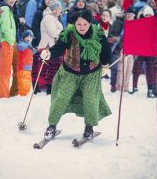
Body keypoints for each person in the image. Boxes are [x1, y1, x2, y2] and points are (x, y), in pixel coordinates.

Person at [39, 10, 111, 141]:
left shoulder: (99, 34)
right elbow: (59, 48)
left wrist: (105, 64)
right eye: (78, 24)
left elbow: (106, 50)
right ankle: (51, 126)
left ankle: (89, 128)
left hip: (91, 74)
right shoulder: (68, 33)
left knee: (90, 100)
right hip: (70, 72)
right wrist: (49, 53)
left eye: (85, 24)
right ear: (74, 24)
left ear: (90, 23)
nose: (82, 27)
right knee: (61, 98)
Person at [0, 0, 16, 98]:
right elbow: (5, 28)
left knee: (2, 69)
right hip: (5, 42)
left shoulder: (7, 10)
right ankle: (2, 95)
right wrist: (10, 41)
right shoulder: (6, 9)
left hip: (2, 41)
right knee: (5, 70)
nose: (12, 0)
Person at [37, 0, 64, 95]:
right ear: (51, 9)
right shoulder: (48, 18)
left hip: (53, 46)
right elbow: (52, 32)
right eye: (54, 9)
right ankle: (48, 88)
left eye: (58, 9)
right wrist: (64, 33)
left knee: (53, 69)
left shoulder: (55, 18)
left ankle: (52, 87)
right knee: (49, 69)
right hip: (47, 46)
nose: (57, 11)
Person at [16, 30, 37, 96]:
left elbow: (33, 52)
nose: (29, 38)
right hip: (22, 68)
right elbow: (20, 46)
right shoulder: (22, 44)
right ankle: (22, 95)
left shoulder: (30, 47)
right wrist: (28, 46)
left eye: (30, 37)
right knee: (23, 82)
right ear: (23, 37)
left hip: (28, 69)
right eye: (27, 37)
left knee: (28, 83)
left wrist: (36, 49)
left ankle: (26, 94)